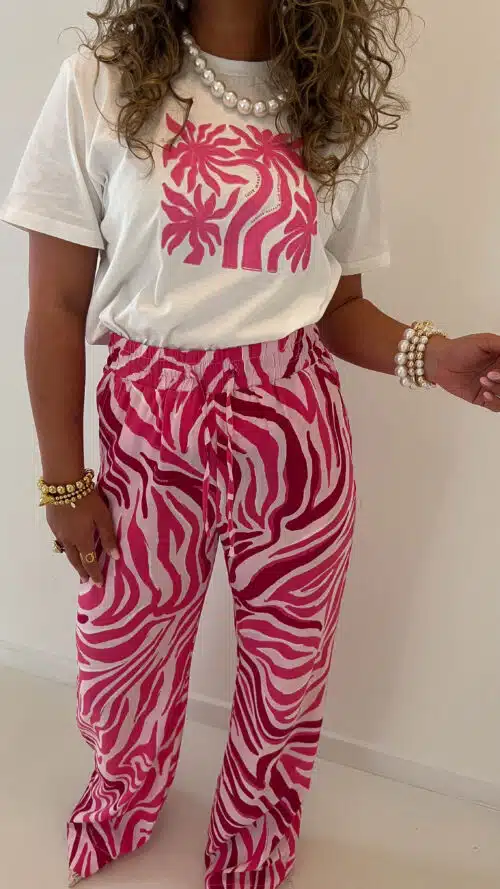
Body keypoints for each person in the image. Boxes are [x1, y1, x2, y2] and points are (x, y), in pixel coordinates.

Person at [1, 0, 499, 886]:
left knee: (287, 661)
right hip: (150, 421)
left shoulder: (329, 106)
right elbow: (56, 305)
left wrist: (434, 356)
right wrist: (63, 482)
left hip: (294, 424)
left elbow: (339, 306)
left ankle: (256, 830)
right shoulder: (100, 84)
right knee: (123, 648)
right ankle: (124, 791)